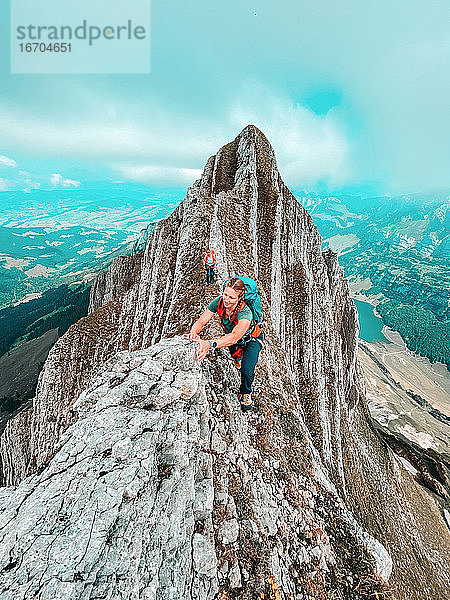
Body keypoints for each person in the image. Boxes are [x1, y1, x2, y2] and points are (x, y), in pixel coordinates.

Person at [185, 277, 263, 412]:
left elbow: (234, 337)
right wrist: (193, 334)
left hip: (252, 339)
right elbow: (201, 321)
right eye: (225, 294)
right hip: (231, 337)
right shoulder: (219, 302)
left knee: (247, 371)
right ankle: (238, 359)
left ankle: (245, 392)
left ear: (240, 298)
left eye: (232, 297)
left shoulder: (245, 313)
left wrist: (209, 344)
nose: (227, 299)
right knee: (236, 356)